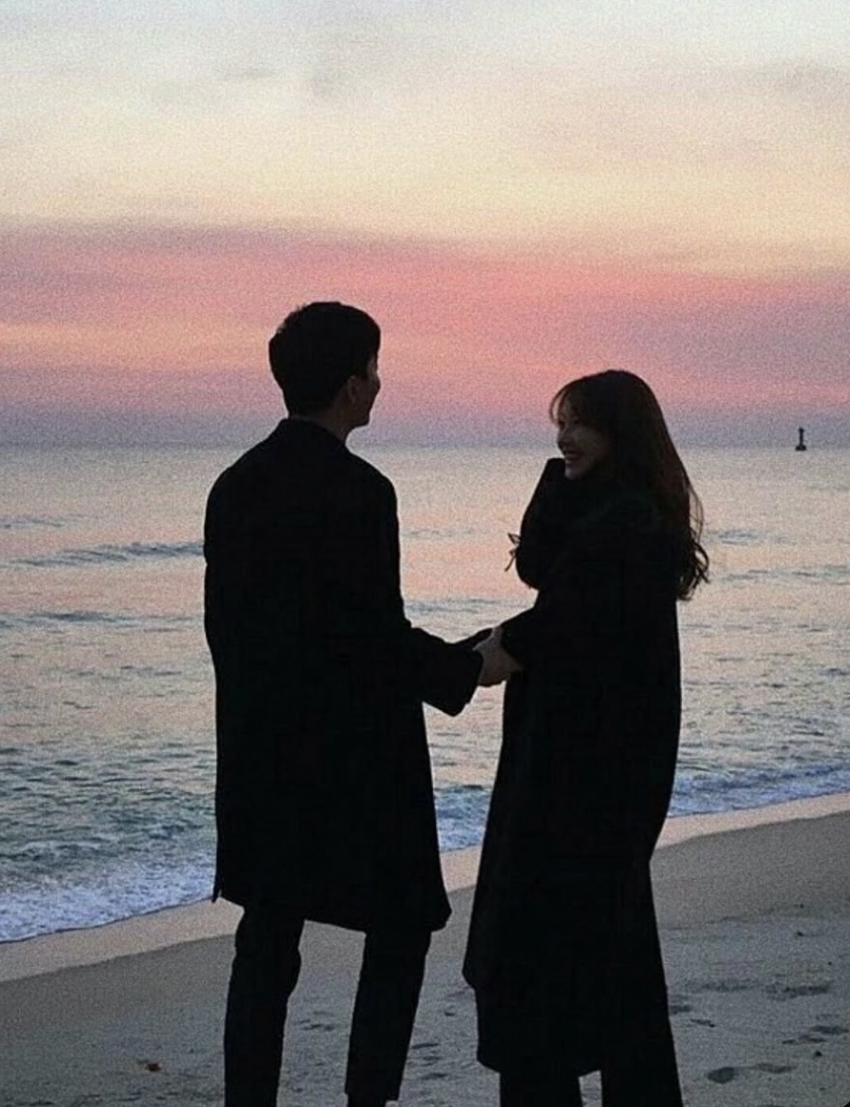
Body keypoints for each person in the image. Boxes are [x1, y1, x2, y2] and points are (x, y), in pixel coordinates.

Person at [204, 302, 508, 1107]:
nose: (378, 382)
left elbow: (230, 632)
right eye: (372, 368)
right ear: (348, 384)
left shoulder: (233, 485)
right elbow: (371, 634)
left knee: (267, 939)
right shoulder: (361, 491)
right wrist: (464, 669)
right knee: (401, 927)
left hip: (262, 754)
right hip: (357, 763)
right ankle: (367, 1099)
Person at [465, 369, 709, 1107]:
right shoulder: (603, 511)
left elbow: (559, 621)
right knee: (612, 963)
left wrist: (478, 656)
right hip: (585, 771)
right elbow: (538, 569)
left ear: (618, 432)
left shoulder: (629, 523)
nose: (564, 438)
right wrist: (560, 474)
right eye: (558, 425)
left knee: (545, 961)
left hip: (587, 778)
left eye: (578, 424)